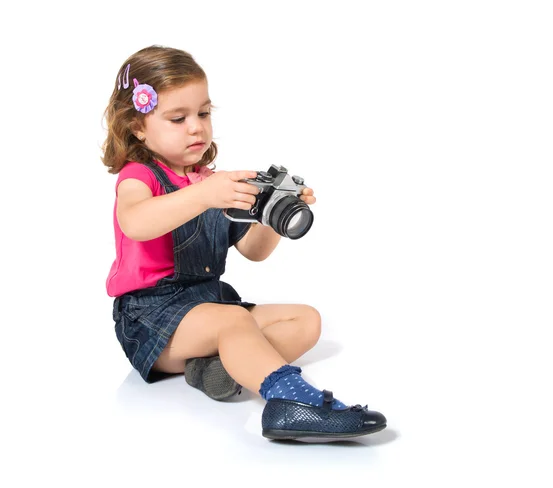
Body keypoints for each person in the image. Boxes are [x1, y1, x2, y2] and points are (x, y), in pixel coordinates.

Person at [102, 45, 386, 440]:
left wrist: (273, 215)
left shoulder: (211, 182)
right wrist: (205, 195)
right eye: (177, 118)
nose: (196, 127)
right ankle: (288, 402)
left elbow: (254, 251)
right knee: (234, 320)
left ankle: (214, 371)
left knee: (305, 320)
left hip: (210, 307)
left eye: (203, 113)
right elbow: (135, 222)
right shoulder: (139, 176)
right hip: (151, 320)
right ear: (138, 127)